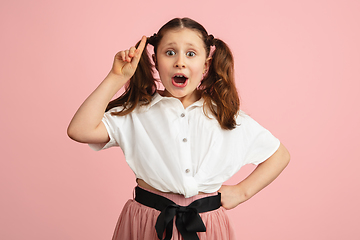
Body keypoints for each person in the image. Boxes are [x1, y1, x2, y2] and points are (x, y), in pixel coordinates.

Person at [67, 17, 290, 240]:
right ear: (155, 60)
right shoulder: (135, 112)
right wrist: (117, 76)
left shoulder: (225, 116)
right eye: (170, 52)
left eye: (191, 54)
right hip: (146, 223)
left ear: (206, 64)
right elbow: (80, 130)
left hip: (206, 224)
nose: (180, 62)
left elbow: (279, 155)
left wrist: (242, 192)